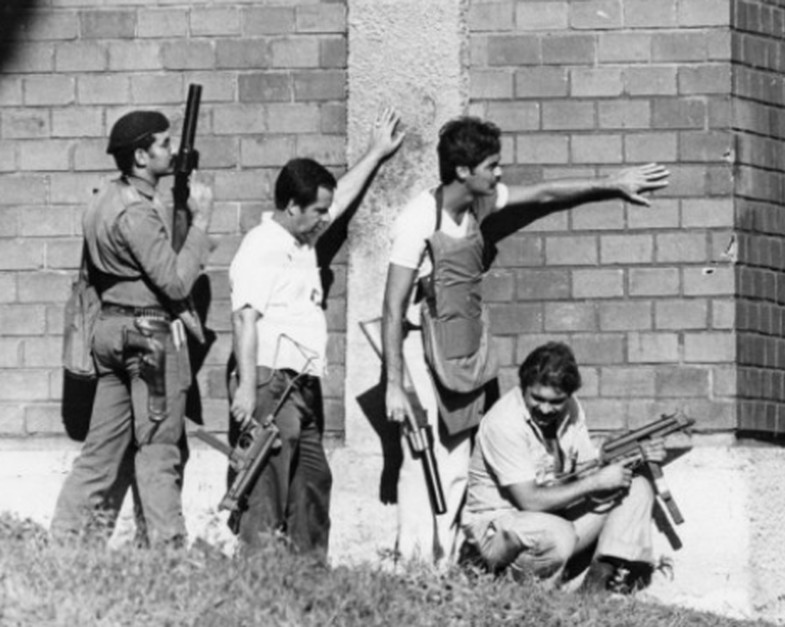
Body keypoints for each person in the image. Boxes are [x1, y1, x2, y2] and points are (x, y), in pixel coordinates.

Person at [382, 116, 670, 564]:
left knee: (456, 462)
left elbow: (546, 194)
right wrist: (394, 384)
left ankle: (442, 567)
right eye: (491, 165)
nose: (499, 174)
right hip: (421, 350)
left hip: (461, 353)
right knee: (423, 460)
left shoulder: (477, 205)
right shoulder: (419, 216)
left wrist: (611, 184)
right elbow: (391, 306)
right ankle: (412, 565)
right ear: (463, 171)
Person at [227, 107, 405, 558]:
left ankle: (310, 581)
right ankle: (258, 589)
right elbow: (244, 318)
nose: (327, 218)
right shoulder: (262, 246)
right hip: (271, 383)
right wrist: (248, 389)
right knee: (266, 490)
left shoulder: (300, 239)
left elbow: (338, 197)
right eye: (318, 211)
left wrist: (375, 153)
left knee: (312, 482)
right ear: (292, 207)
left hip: (300, 388)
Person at [50, 110, 215, 547]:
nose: (172, 150)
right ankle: (169, 558)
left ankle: (64, 545)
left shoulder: (102, 199)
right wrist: (200, 223)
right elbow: (176, 282)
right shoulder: (137, 213)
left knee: (99, 454)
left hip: (111, 332)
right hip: (150, 339)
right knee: (159, 450)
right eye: (163, 144)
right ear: (141, 156)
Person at [461, 342, 664, 592]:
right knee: (557, 533)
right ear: (524, 386)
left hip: (553, 521)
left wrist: (622, 452)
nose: (545, 409)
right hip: (500, 532)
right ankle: (516, 590)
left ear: (568, 395)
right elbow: (530, 501)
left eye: (555, 401)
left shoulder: (572, 408)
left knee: (636, 486)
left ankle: (599, 586)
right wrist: (597, 482)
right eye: (537, 398)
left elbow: (586, 468)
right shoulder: (504, 422)